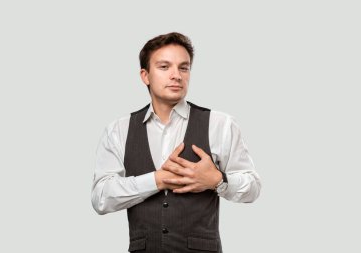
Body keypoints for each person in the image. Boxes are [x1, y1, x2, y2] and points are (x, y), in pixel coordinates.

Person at [91, 32, 261, 253]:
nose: (176, 75)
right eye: (164, 67)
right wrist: (157, 180)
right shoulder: (119, 130)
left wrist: (218, 180)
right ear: (145, 75)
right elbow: (100, 197)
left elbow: (253, 187)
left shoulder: (221, 124)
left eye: (184, 67)